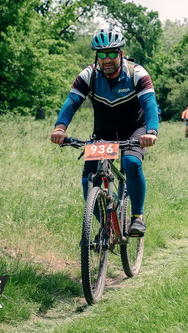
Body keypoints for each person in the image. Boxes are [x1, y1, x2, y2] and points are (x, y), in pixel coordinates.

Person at [50, 28, 159, 236]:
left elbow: (149, 103)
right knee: (89, 180)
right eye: (102, 54)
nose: (107, 59)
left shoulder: (136, 73)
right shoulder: (89, 75)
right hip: (104, 133)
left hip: (136, 130)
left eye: (111, 53)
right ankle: (106, 226)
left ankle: (137, 217)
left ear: (121, 53)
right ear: (96, 56)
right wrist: (60, 128)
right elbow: (72, 101)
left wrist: (151, 132)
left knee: (131, 162)